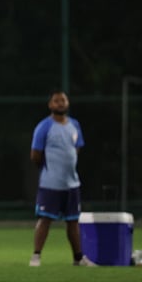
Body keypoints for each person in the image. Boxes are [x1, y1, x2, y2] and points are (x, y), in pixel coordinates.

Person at [27, 91, 97, 268]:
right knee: (45, 219)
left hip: (71, 183)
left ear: (68, 103)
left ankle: (78, 257)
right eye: (56, 100)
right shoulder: (44, 126)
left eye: (63, 100)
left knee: (73, 221)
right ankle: (36, 256)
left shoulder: (74, 125)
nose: (60, 103)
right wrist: (50, 169)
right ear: (50, 105)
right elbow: (35, 154)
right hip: (50, 183)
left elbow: (77, 148)